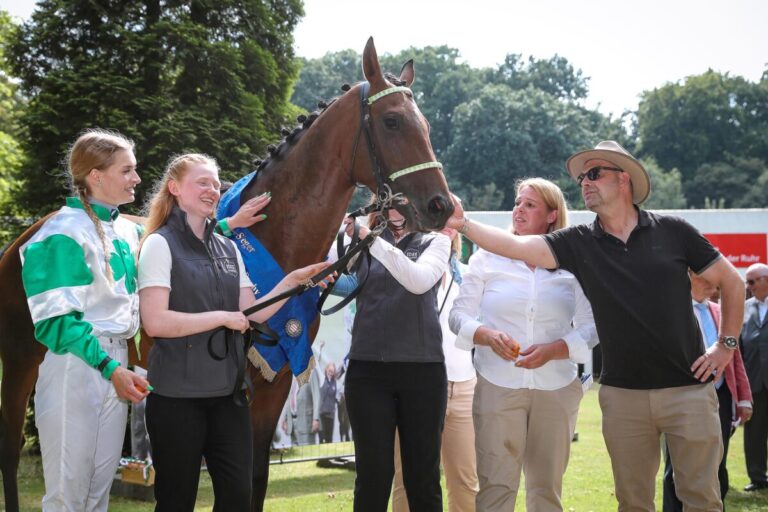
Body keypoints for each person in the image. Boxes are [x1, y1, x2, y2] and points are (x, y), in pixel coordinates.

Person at [445, 140, 745, 510]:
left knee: (701, 499)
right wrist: (463, 223)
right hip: (622, 396)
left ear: (624, 179)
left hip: (687, 388)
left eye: (594, 174)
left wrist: (725, 345)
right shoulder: (579, 243)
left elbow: (731, 282)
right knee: (633, 503)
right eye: (581, 177)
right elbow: (520, 248)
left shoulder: (674, 231)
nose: (584, 182)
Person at [137, 153, 329, 511]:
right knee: (176, 501)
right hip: (177, 399)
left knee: (238, 499)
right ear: (175, 188)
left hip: (229, 397)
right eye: (202, 182)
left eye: (215, 182)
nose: (212, 189)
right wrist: (221, 317)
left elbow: (250, 313)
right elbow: (155, 322)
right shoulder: (159, 244)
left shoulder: (228, 246)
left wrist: (293, 282)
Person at [20, 129, 150, 511]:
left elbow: (181, 242)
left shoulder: (128, 229)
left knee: (97, 494)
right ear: (96, 175)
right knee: (66, 494)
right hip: (75, 367)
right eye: (127, 170)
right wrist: (110, 367)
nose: (137, 179)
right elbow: (55, 323)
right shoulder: (60, 232)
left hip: (116, 366)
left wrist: (228, 225)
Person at [448, 178, 597, 511]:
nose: (519, 210)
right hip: (497, 386)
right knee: (495, 488)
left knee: (546, 491)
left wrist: (556, 350)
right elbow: (458, 316)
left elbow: (592, 328)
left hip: (557, 388)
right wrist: (485, 335)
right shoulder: (487, 257)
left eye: (530, 204)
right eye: (518, 202)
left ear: (551, 215)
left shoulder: (574, 264)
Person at [342, 206, 450, 512]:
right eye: (388, 196)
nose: (394, 206)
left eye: (402, 198)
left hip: (422, 370)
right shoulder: (362, 237)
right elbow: (336, 271)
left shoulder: (435, 241)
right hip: (367, 369)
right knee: (372, 475)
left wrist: (369, 239)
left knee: (422, 478)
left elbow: (417, 280)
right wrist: (348, 232)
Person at [392, 226, 479, 512]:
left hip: (463, 386)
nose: (444, 229)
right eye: (435, 221)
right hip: (415, 385)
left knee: (465, 482)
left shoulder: (469, 275)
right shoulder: (405, 271)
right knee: (407, 479)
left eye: (450, 221)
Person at [663, 271, 753, 510]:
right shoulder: (671, 310)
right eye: (707, 278)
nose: (714, 285)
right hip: (682, 397)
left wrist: (744, 398)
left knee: (717, 462)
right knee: (677, 465)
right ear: (690, 276)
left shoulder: (719, 311)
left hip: (721, 396)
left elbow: (735, 357)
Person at [741, 263, 768, 491]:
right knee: (754, 433)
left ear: (766, 280)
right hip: (754, 381)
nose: (747, 287)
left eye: (751, 282)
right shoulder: (744, 308)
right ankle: (758, 478)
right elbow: (737, 342)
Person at [319, 362, 338, 443]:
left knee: (329, 438)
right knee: (321, 438)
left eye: (332, 371)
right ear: (326, 369)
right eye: (329, 370)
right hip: (321, 413)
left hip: (331, 414)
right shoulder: (322, 380)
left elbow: (335, 397)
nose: (331, 373)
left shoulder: (335, 382)